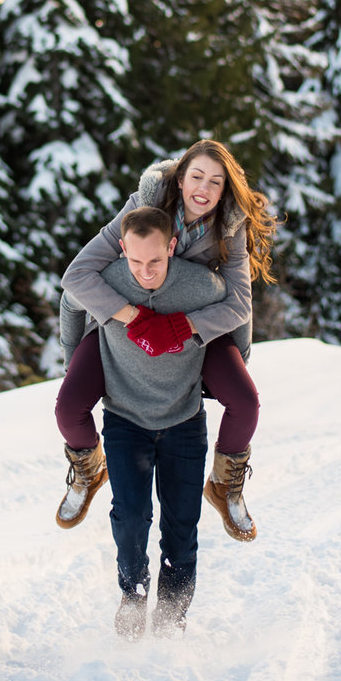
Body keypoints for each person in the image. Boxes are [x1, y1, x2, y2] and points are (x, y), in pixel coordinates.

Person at [54, 139, 275, 542]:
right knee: (69, 407)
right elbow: (78, 274)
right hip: (130, 319)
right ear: (180, 176)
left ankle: (225, 485)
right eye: (196, 176)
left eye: (215, 181)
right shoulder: (147, 203)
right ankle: (88, 468)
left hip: (194, 329)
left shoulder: (229, 225)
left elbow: (240, 303)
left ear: (226, 188)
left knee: (245, 402)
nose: (203, 189)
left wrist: (182, 328)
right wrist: (132, 317)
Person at [59, 204, 235, 638]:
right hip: (125, 420)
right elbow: (70, 297)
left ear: (172, 246)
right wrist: (74, 358)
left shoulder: (199, 286)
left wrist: (233, 360)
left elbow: (237, 308)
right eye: (135, 260)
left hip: (183, 422)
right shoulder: (110, 283)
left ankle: (172, 616)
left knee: (181, 525)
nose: (145, 271)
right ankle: (133, 597)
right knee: (131, 517)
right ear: (122, 250)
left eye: (155, 260)